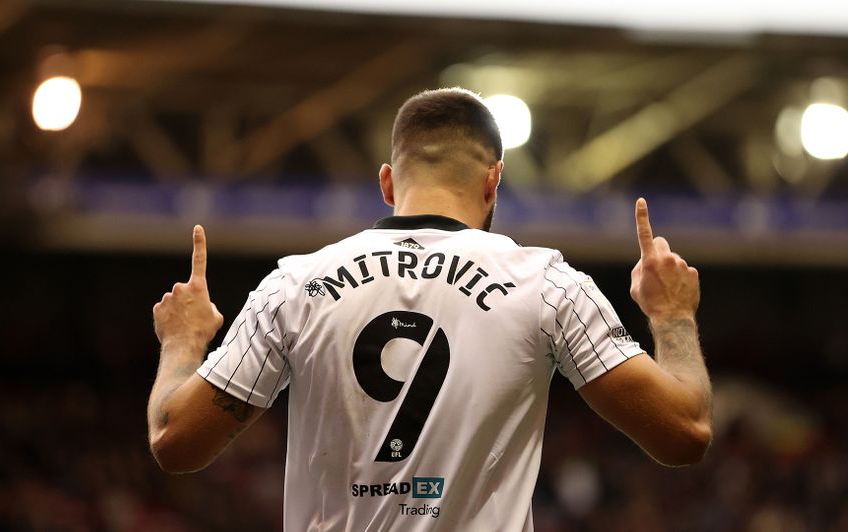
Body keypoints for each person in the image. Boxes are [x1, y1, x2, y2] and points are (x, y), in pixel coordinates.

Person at [147, 88, 712, 531]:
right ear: (494, 181)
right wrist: (671, 315)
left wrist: (182, 340)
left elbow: (174, 442)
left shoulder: (295, 286)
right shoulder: (548, 285)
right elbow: (685, 433)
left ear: (388, 184)